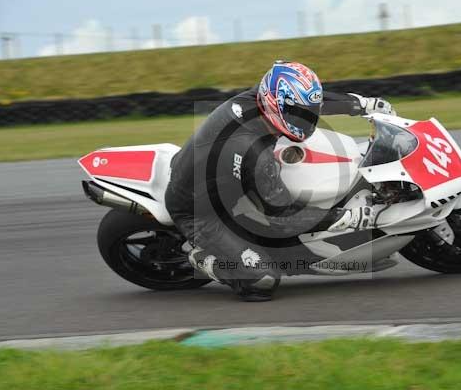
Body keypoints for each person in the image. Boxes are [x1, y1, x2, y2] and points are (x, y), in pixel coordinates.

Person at [165, 60, 394, 301]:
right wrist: (349, 218)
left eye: (309, 112)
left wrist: (362, 104)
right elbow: (285, 217)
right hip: (200, 212)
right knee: (263, 281)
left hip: (213, 173)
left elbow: (308, 100)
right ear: (275, 105)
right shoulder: (251, 151)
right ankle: (203, 260)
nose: (308, 118)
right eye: (299, 114)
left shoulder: (264, 96)